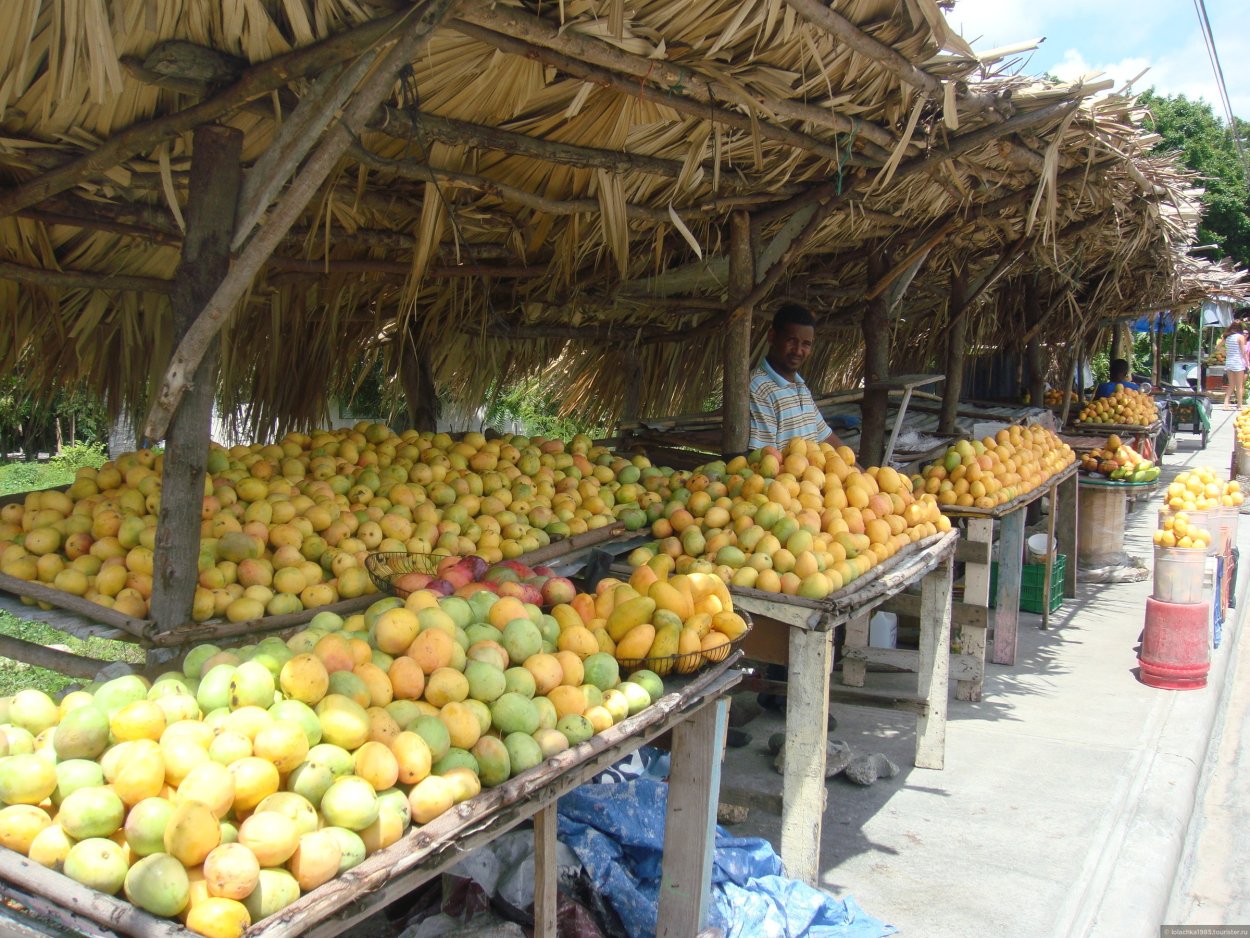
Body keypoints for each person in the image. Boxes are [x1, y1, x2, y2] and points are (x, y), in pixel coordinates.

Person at [748, 303, 845, 451]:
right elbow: (766, 457)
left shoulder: (801, 388)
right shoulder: (757, 387)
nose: (798, 351)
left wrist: (864, 473)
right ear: (772, 336)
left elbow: (826, 436)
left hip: (813, 474)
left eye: (806, 344)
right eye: (791, 340)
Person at [1222, 322, 1246, 408]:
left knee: (1231, 385)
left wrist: (1225, 353)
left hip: (1229, 362)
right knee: (1239, 385)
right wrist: (1247, 363)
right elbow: (1243, 352)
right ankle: (1239, 404)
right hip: (1238, 363)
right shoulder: (1240, 337)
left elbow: (1217, 347)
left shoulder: (1227, 337)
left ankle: (1225, 404)